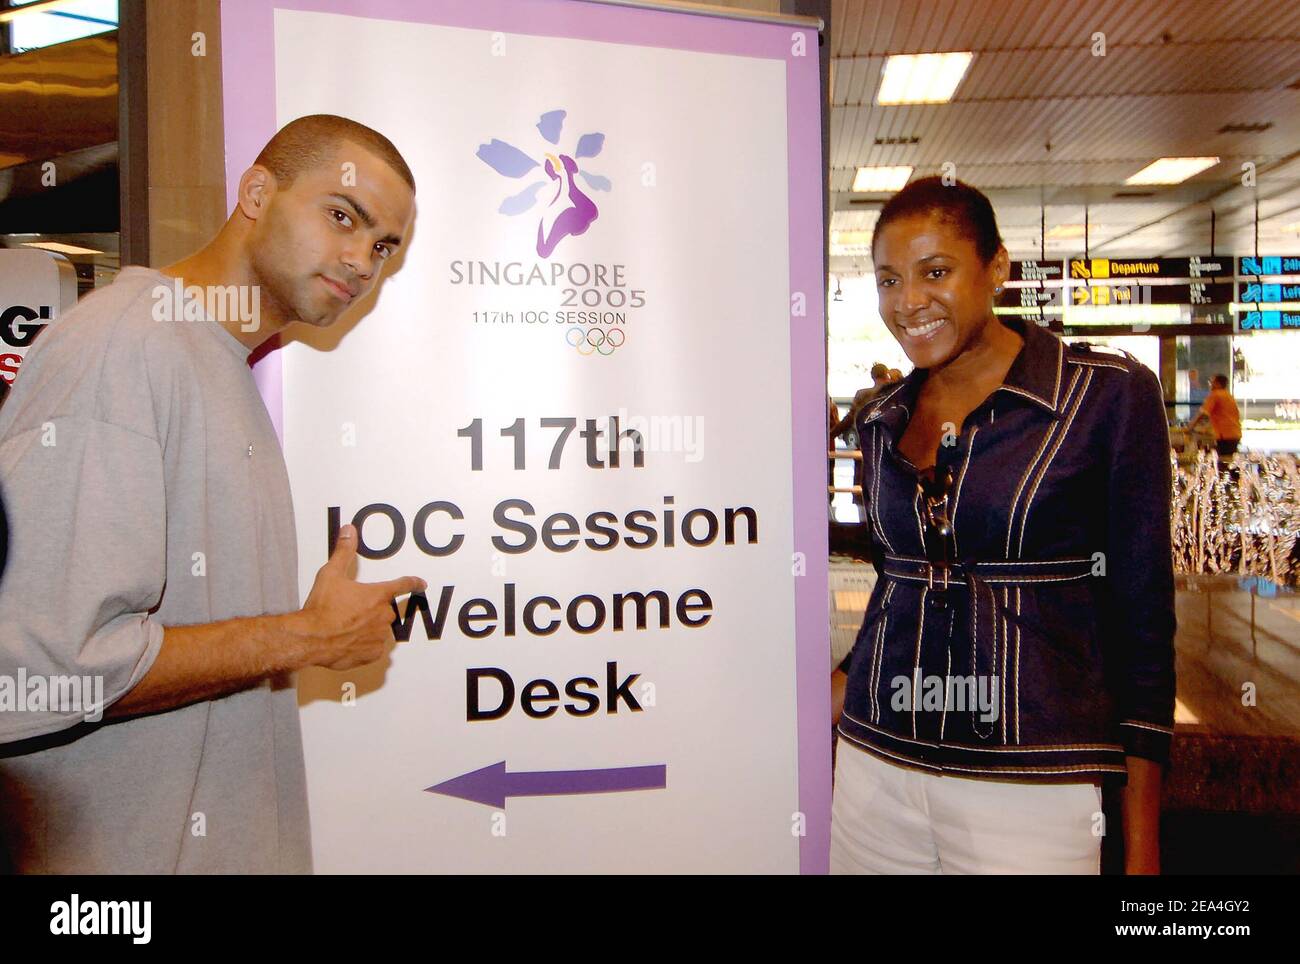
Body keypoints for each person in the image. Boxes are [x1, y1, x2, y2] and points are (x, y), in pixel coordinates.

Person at [0, 114, 424, 873]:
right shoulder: (121, 346)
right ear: (257, 191)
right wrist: (310, 637)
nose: (362, 260)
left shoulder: (220, 361)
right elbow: (32, 674)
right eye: (342, 216)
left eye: (384, 246)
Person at [829, 176, 1175, 875]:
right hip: (875, 769)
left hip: (1032, 786)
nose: (909, 301)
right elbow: (897, 588)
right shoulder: (881, 415)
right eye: (889, 279)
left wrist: (1141, 842)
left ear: (996, 268)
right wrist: (828, 688)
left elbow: (1142, 620)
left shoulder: (1102, 397)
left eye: (936, 272)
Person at [830, 362, 891, 446]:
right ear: (887, 375)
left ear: (872, 377)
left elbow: (849, 419)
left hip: (863, 442)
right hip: (886, 444)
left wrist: (830, 435)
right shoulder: (892, 393)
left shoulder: (862, 394)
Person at [1189, 373, 1242, 465]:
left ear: (1217, 383)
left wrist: (1190, 426)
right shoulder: (1228, 396)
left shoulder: (1215, 395)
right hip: (1235, 434)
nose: (1210, 385)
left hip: (1224, 435)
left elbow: (1203, 413)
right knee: (1231, 463)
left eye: (1211, 382)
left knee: (1223, 464)